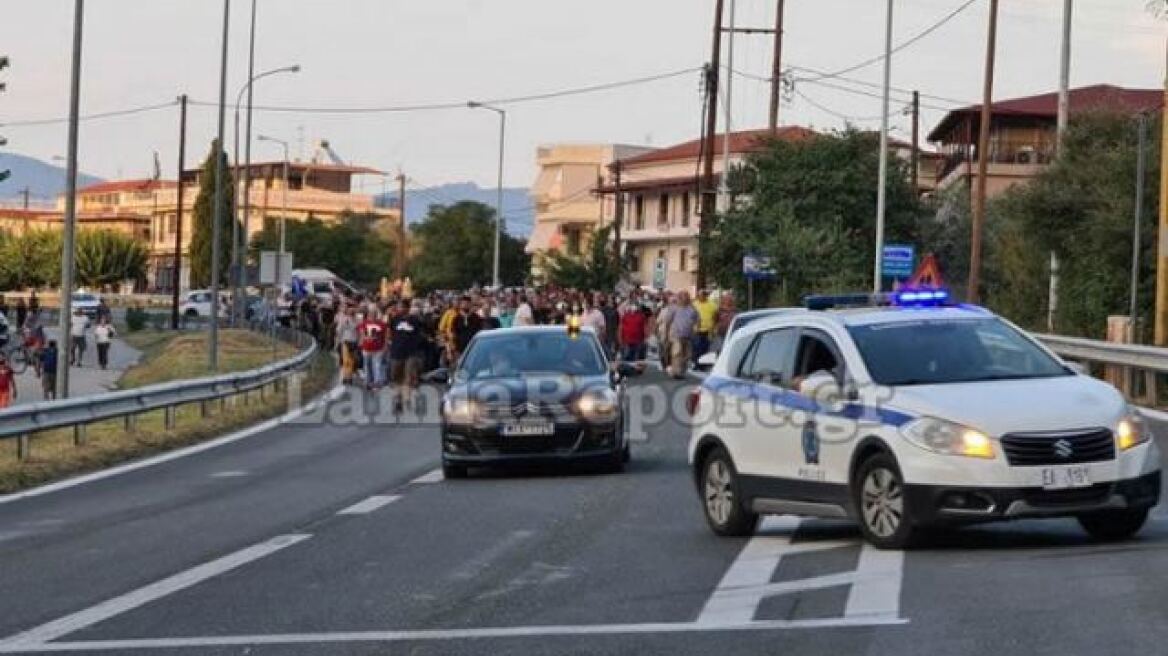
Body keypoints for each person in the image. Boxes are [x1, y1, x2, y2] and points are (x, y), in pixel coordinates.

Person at [388, 300, 426, 413]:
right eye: (398, 307)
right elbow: (389, 332)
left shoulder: (415, 320)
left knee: (408, 376)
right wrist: (390, 343)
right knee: (396, 376)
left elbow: (421, 331)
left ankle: (406, 399)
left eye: (401, 307)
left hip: (411, 352)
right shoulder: (394, 319)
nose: (399, 309)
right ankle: (398, 398)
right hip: (397, 351)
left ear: (407, 308)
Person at [668, 291, 699, 379]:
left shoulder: (692, 309)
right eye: (682, 297)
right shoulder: (674, 308)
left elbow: (697, 320)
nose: (684, 299)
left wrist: (695, 328)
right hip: (676, 334)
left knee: (687, 355)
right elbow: (668, 321)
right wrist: (667, 334)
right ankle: (676, 372)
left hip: (688, 335)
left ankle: (682, 371)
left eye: (686, 297)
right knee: (677, 353)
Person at [356, 310, 388, 390]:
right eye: (370, 315)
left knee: (376, 366)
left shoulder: (381, 324)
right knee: (367, 365)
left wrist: (385, 345)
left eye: (373, 314)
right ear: (368, 315)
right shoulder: (364, 323)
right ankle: (367, 381)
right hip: (366, 348)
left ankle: (376, 382)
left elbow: (385, 335)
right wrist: (361, 343)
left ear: (376, 315)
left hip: (378, 348)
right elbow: (361, 334)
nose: (372, 316)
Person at [451, 296, 483, 362]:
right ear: (461, 305)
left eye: (467, 303)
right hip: (461, 350)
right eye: (464, 303)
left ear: (470, 304)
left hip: (474, 348)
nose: (466, 305)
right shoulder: (456, 319)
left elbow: (480, 332)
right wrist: (455, 349)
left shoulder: (477, 318)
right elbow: (454, 334)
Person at [693, 289, 719, 365]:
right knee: (697, 347)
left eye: (703, 295)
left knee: (705, 347)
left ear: (706, 296)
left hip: (708, 330)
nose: (701, 297)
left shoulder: (712, 304)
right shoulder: (694, 304)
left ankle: (703, 364)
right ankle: (696, 363)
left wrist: (714, 327)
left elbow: (716, 317)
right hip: (697, 329)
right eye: (700, 295)